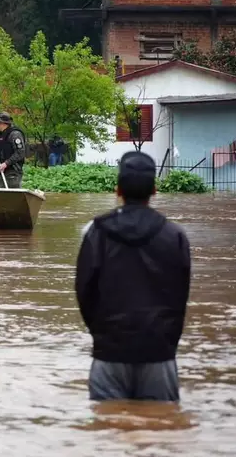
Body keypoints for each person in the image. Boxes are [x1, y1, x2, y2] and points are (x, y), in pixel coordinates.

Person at [75, 151, 191, 402]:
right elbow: (180, 296)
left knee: (107, 428)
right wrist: (166, 340)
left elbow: (84, 292)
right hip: (158, 353)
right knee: (160, 430)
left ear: (117, 190)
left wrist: (102, 335)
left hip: (109, 353)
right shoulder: (175, 236)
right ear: (155, 190)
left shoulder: (96, 232)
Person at [0, 112, 27, 189]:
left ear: (1, 123)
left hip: (12, 171)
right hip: (1, 172)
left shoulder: (15, 134)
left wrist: (6, 163)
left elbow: (20, 152)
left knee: (10, 195)